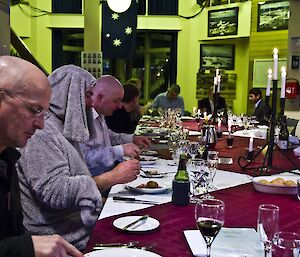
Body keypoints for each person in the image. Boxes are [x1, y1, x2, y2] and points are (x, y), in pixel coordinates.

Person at [0, 56, 83, 257]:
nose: (41, 125)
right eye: (34, 110)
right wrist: (25, 247)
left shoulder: (8, 157)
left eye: (44, 114)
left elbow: (13, 231)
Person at [17, 65, 103, 250]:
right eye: (87, 94)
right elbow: (53, 191)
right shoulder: (41, 132)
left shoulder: (63, 128)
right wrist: (93, 186)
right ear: (70, 93)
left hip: (74, 228)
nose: (92, 103)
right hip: (59, 238)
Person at [80, 76, 150, 178]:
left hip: (109, 173)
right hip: (95, 182)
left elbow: (109, 136)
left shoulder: (99, 115)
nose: (120, 106)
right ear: (100, 98)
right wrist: (120, 150)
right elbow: (85, 158)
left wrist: (132, 138)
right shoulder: (82, 119)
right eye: (116, 101)